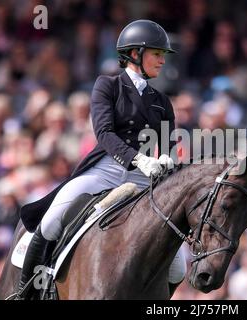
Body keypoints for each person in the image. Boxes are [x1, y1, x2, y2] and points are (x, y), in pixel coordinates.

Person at [15, 20, 185, 299]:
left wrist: (165, 159)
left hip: (144, 179)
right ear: (134, 54)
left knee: (177, 268)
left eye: (163, 55)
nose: (162, 61)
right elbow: (104, 132)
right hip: (105, 169)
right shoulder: (108, 86)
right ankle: (25, 292)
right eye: (157, 54)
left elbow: (168, 142)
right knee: (51, 219)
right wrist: (138, 159)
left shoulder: (162, 101)